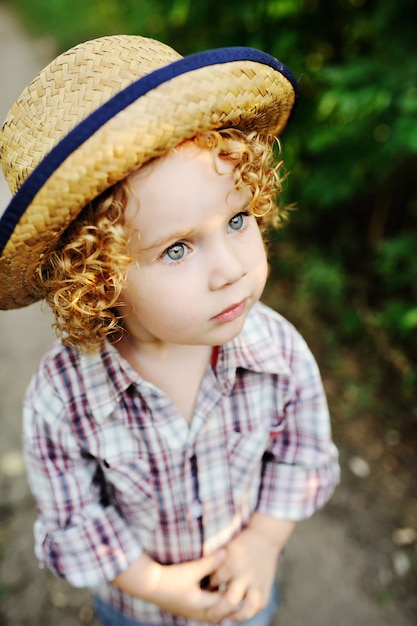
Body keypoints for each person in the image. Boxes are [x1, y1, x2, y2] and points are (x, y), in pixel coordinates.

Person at [0, 35, 339, 626]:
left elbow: (301, 456)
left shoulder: (278, 352)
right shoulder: (64, 398)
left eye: (236, 219)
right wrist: (154, 586)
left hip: (242, 591)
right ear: (99, 278)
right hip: (137, 606)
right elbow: (77, 517)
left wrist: (261, 544)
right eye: (177, 249)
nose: (231, 269)